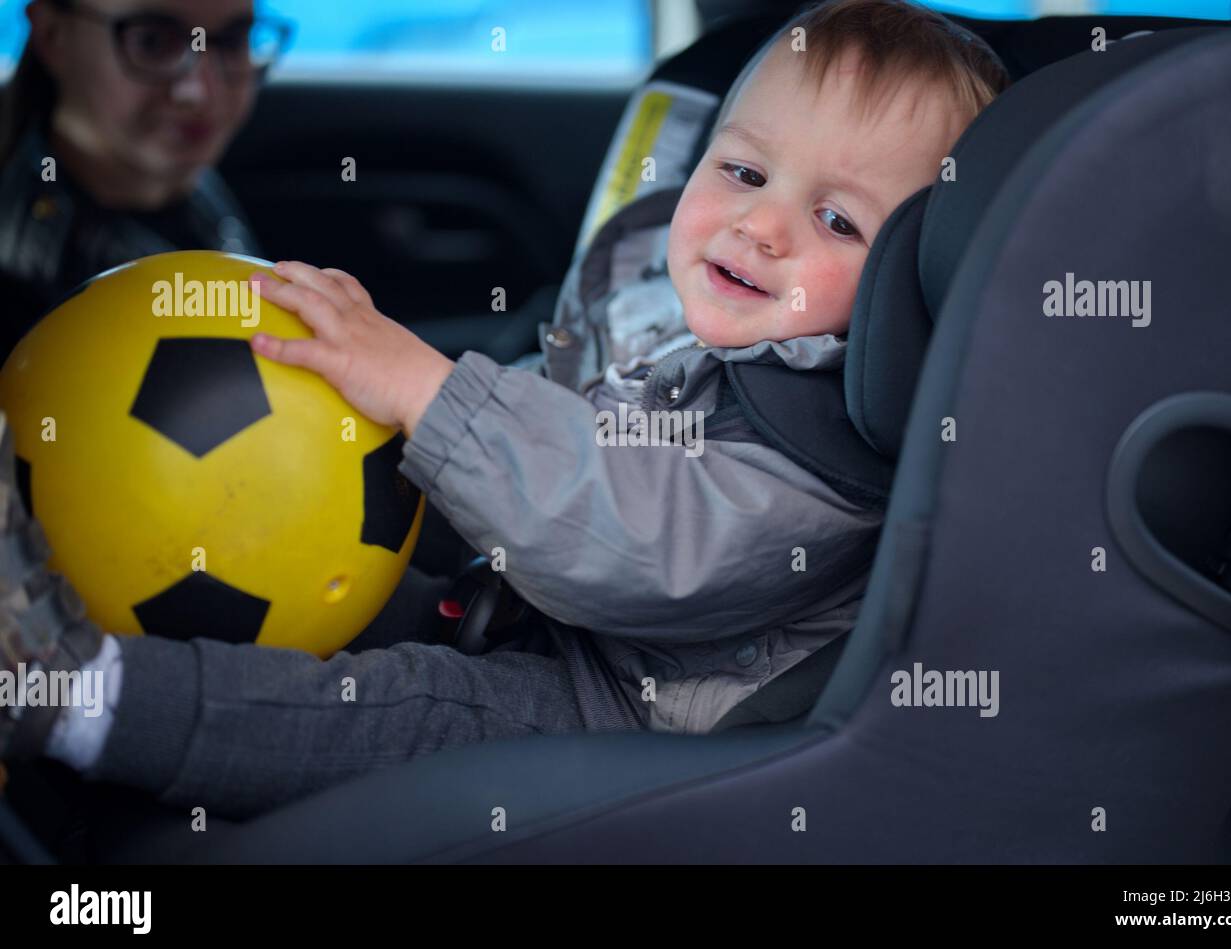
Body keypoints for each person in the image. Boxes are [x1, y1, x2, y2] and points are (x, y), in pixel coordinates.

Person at [0, 0, 1010, 822]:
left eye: (837, 219)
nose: (762, 225)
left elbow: (641, 540)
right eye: (743, 172)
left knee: (394, 709)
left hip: (631, 707)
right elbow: (563, 404)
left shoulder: (826, 455)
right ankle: (65, 584)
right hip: (542, 607)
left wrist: (431, 395)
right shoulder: (675, 317)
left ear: (906, 286)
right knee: (366, 592)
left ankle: (77, 697)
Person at [0, 0, 289, 358]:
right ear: (53, 35)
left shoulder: (182, 180)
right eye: (152, 42)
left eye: (231, 42)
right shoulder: (24, 282)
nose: (198, 92)